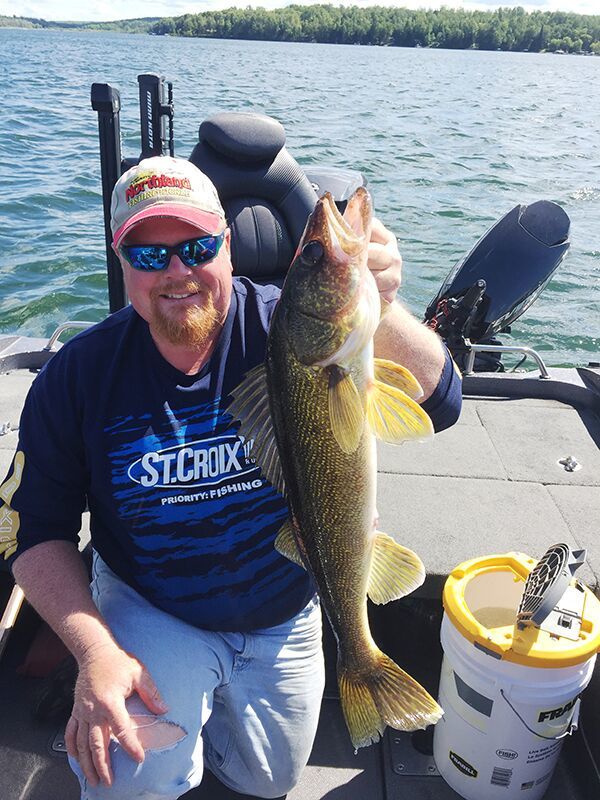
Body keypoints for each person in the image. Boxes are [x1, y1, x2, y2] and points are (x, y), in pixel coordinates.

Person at [0, 156, 461, 799]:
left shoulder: (286, 328)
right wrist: (94, 653)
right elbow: (37, 535)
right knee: (126, 776)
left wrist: (381, 307)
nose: (177, 272)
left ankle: (213, 718)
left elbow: (444, 402)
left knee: (269, 781)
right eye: (148, 253)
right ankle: (174, 727)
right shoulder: (75, 379)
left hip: (286, 600)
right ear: (120, 258)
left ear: (228, 247)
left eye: (196, 246)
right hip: (154, 606)